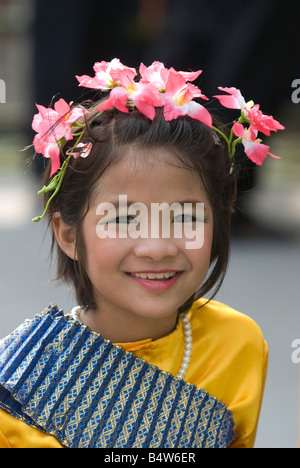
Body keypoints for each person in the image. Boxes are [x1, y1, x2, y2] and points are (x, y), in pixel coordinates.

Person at [0, 59, 284, 448]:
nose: (157, 247)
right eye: (123, 219)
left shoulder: (236, 345)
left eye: (185, 216)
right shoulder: (20, 381)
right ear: (68, 234)